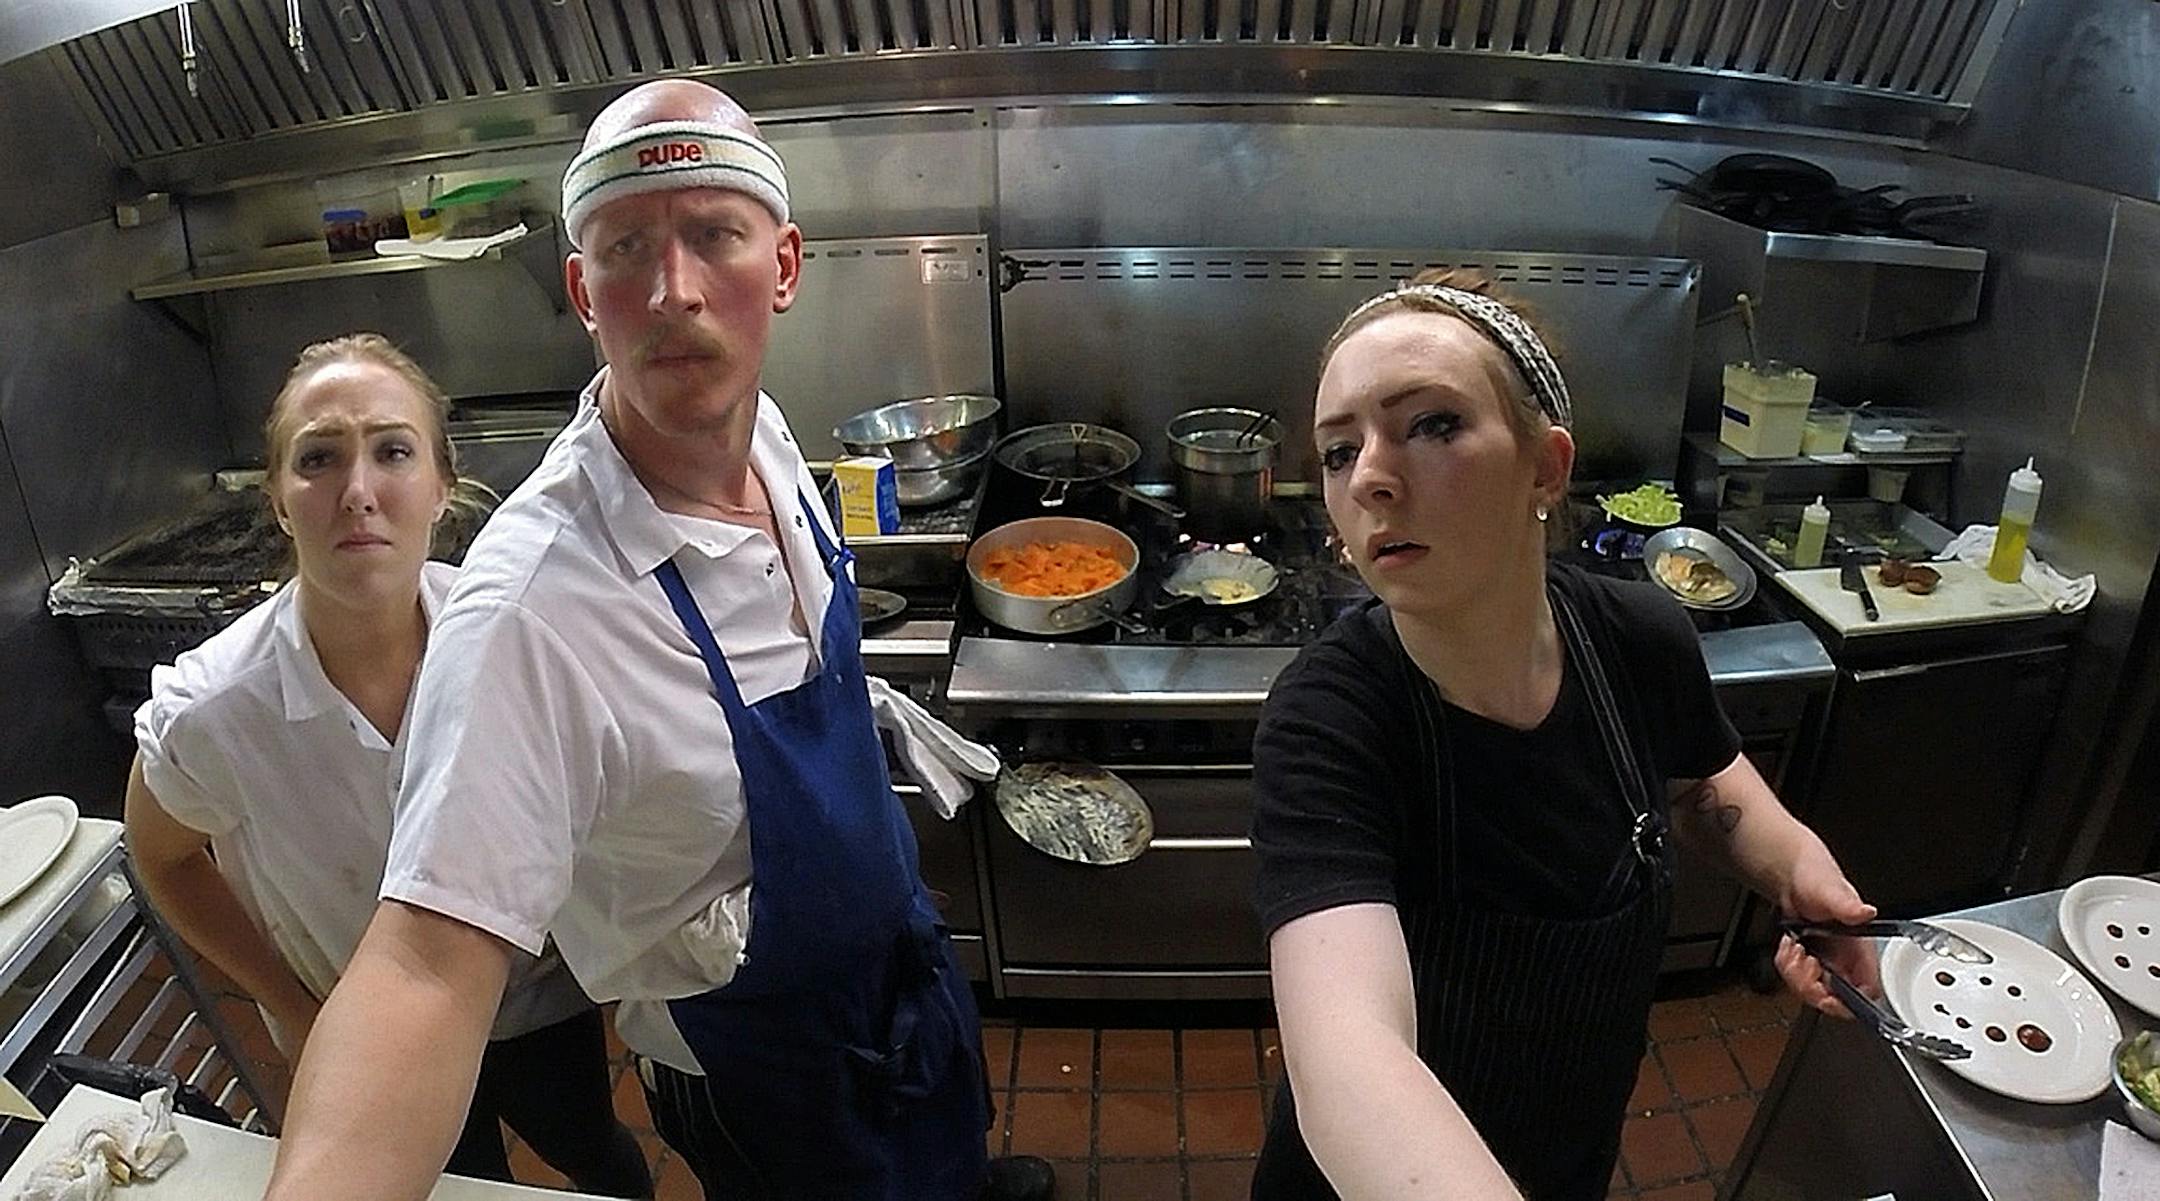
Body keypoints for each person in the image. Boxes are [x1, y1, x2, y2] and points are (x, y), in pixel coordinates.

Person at [259, 82, 1048, 1201]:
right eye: (629, 247)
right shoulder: (532, 611)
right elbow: (424, 967)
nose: (674, 291)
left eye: (713, 234)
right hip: (755, 1067)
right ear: (584, 291)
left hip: (896, 977)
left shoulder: (770, 436)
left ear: (783, 266)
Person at [1248, 271, 1879, 1200]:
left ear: (1546, 466)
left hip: (1565, 1154)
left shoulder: (1637, 635)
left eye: (1431, 424)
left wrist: (1797, 868)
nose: (1372, 476)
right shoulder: (1328, 719)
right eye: (1340, 451)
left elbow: (1702, 784)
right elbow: (1349, 1063)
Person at [126, 334, 652, 1198]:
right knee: (452, 1181)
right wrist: (291, 1003)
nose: (359, 492)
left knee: (593, 1149)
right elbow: (163, 853)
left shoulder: (513, 640)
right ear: (280, 502)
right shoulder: (216, 711)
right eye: (319, 458)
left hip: (533, 993)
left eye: (393, 451)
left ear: (441, 487)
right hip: (360, 1028)